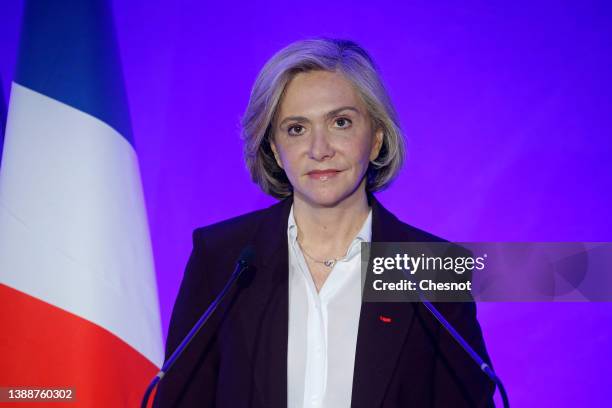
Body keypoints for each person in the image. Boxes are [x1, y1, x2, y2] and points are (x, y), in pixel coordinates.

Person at [154, 38, 495, 407]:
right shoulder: (223, 259)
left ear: (377, 138)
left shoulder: (430, 269)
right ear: (274, 150)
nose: (319, 149)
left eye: (341, 122)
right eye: (296, 129)